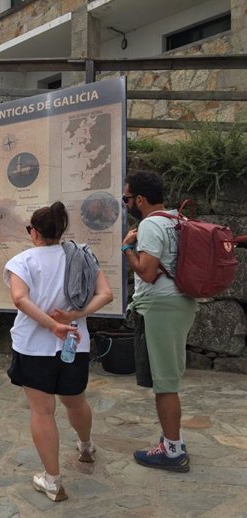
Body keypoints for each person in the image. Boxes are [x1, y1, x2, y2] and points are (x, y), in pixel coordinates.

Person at [3, 201, 113, 502]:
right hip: (74, 343)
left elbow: (19, 299)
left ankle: (51, 480)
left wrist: (52, 325)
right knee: (75, 402)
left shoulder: (22, 261)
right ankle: (86, 445)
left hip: (34, 347)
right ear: (61, 230)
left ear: (34, 232)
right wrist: (72, 318)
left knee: (42, 411)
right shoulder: (82, 256)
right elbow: (106, 294)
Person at [121, 170, 197, 473]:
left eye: (127, 198)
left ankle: (172, 450)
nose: (126, 203)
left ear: (139, 199)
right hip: (181, 301)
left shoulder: (151, 224)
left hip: (162, 306)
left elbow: (147, 272)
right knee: (169, 378)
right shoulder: (178, 221)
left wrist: (127, 247)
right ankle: (171, 439)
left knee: (165, 383)